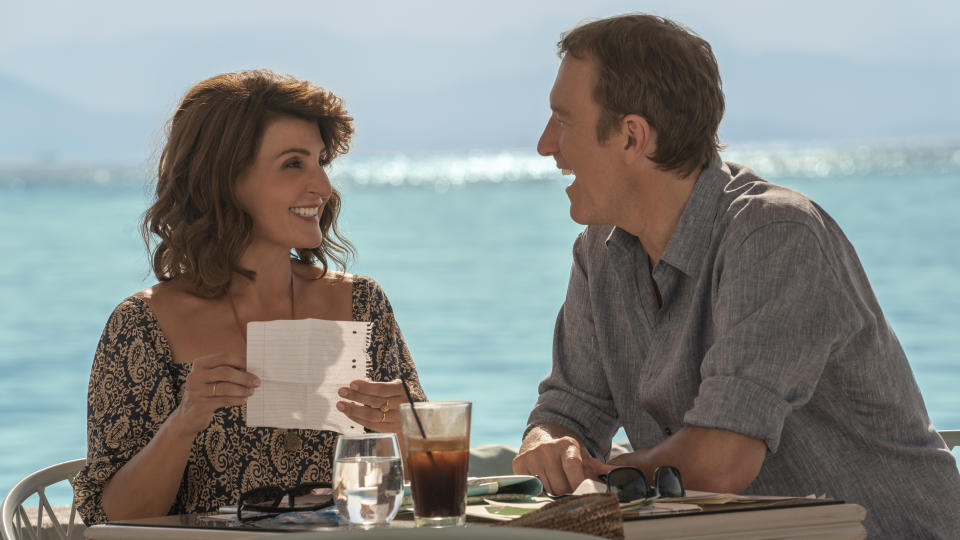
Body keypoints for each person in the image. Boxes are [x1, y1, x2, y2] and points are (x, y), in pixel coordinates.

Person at [512, 14, 960, 538]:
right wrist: (547, 445)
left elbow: (723, 459)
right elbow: (570, 409)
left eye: (562, 120)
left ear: (633, 137)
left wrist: (604, 477)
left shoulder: (775, 234)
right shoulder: (600, 253)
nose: (546, 145)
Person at [72, 69, 425, 525]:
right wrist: (184, 421)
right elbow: (113, 520)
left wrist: (411, 432)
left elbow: (429, 479)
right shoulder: (143, 326)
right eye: (294, 163)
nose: (322, 186)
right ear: (224, 178)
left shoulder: (363, 305)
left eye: (321, 161)